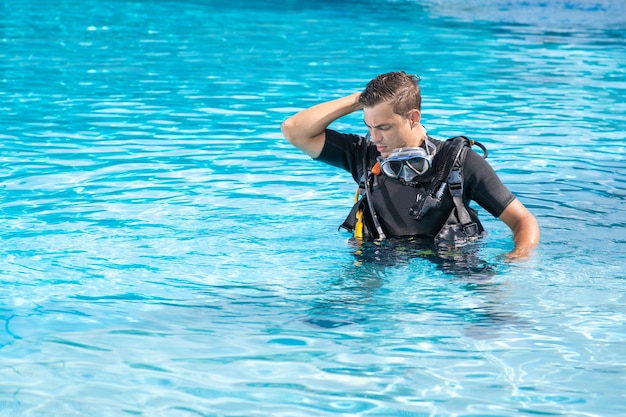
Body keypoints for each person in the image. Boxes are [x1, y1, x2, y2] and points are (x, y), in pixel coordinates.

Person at [281, 71, 539, 261]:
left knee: (494, 311)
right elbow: (294, 131)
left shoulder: (458, 161)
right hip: (379, 257)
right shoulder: (363, 154)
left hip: (452, 257)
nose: (375, 137)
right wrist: (358, 100)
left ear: (413, 117)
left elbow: (523, 221)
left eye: (383, 127)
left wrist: (518, 257)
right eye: (368, 126)